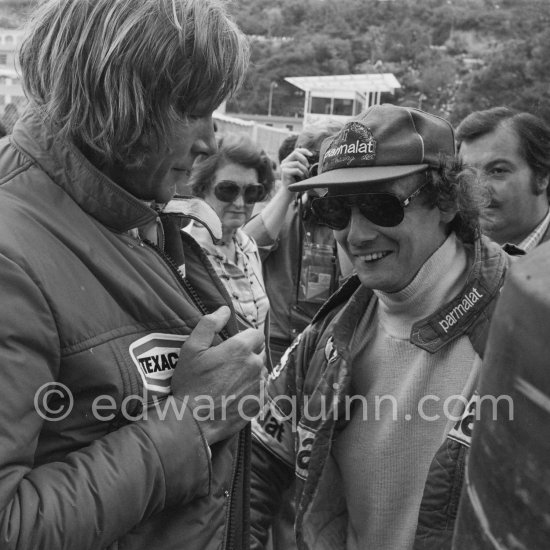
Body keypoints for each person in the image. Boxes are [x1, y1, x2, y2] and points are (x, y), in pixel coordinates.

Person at [0, 1, 265, 549]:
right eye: (194, 111)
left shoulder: (127, 217)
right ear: (120, 100)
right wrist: (192, 421)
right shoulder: (13, 253)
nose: (211, 141)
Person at [249, 104, 515, 550]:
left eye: (379, 205)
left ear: (447, 201)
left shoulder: (522, 324)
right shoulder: (331, 330)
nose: (356, 234)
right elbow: (257, 464)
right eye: (335, 211)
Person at [244, 119, 350, 365]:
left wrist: (338, 199)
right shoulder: (281, 212)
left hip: (322, 345)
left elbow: (352, 282)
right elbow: (246, 251)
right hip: (276, 343)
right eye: (315, 163)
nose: (320, 173)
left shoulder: (349, 218)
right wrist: (286, 190)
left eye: (328, 164)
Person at [186, 132, 275, 336]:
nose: (240, 203)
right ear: (203, 188)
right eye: (228, 190)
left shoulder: (248, 247)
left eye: (252, 192)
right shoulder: (185, 252)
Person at [456, 106, 550, 252]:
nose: (477, 188)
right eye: (467, 173)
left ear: (542, 176)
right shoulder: (442, 255)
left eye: (497, 171)